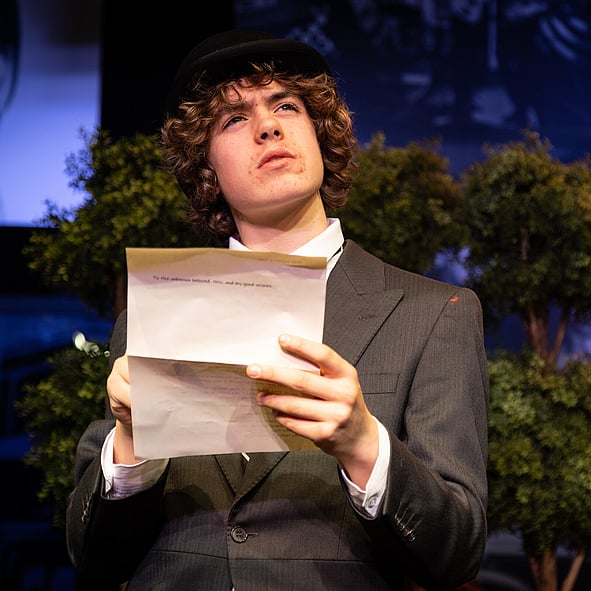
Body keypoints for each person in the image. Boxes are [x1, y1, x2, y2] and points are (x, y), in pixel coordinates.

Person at [66, 29, 489, 591]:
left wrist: (364, 444)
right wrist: (131, 447)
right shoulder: (155, 315)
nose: (268, 126)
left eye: (286, 106)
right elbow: (92, 558)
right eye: (234, 118)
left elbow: (458, 550)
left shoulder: (435, 313)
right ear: (206, 168)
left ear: (320, 134)